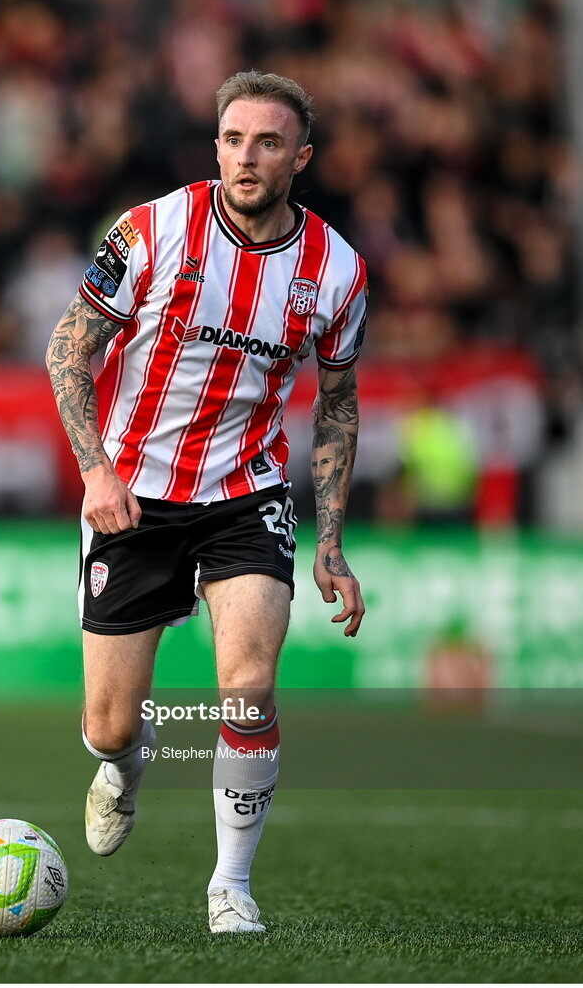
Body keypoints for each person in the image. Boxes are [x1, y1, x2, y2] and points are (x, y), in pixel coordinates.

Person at [46, 70, 366, 933]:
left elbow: (336, 401)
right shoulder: (151, 230)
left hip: (246, 495)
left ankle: (231, 885)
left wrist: (330, 539)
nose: (245, 157)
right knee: (110, 725)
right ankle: (123, 766)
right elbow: (66, 351)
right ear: (214, 145)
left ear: (301, 157)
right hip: (133, 500)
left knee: (248, 687)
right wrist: (97, 472)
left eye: (267, 142)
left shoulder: (335, 269)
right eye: (232, 139)